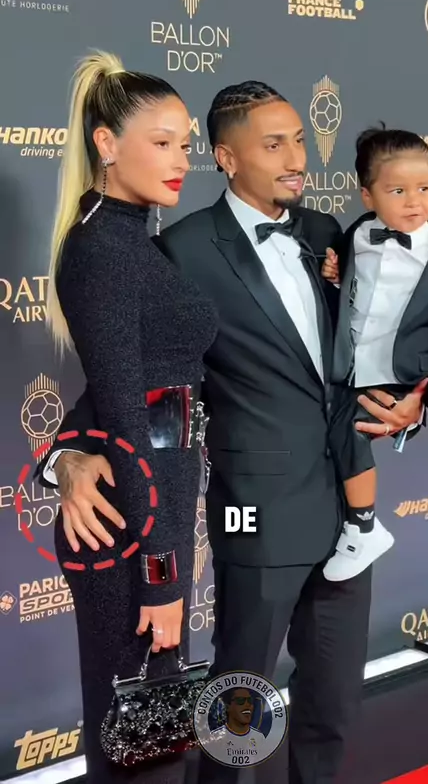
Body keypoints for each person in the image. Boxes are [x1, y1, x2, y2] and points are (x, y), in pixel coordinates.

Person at [37, 83, 425, 784]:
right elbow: (129, 388)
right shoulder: (179, 249)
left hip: (346, 513)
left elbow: (365, 354)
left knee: (333, 706)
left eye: (300, 140)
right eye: (274, 144)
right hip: (253, 515)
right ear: (228, 157)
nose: (297, 159)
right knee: (227, 721)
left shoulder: (328, 236)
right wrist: (65, 454)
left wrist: (407, 405)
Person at [44, 49, 218, 783]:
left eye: (186, 144)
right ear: (106, 144)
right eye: (162, 142)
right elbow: (124, 415)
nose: (181, 160)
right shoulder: (104, 250)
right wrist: (162, 576)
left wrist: (62, 455)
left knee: (151, 743)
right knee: (138, 746)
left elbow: (125, 396)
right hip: (130, 533)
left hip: (144, 517)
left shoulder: (125, 235)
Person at [321, 126, 428, 583]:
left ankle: (363, 526)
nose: (414, 202)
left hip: (399, 372)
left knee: (350, 431)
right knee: (331, 432)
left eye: (424, 189)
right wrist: (335, 274)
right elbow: (350, 282)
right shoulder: (358, 233)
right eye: (398, 191)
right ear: (367, 196)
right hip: (348, 364)